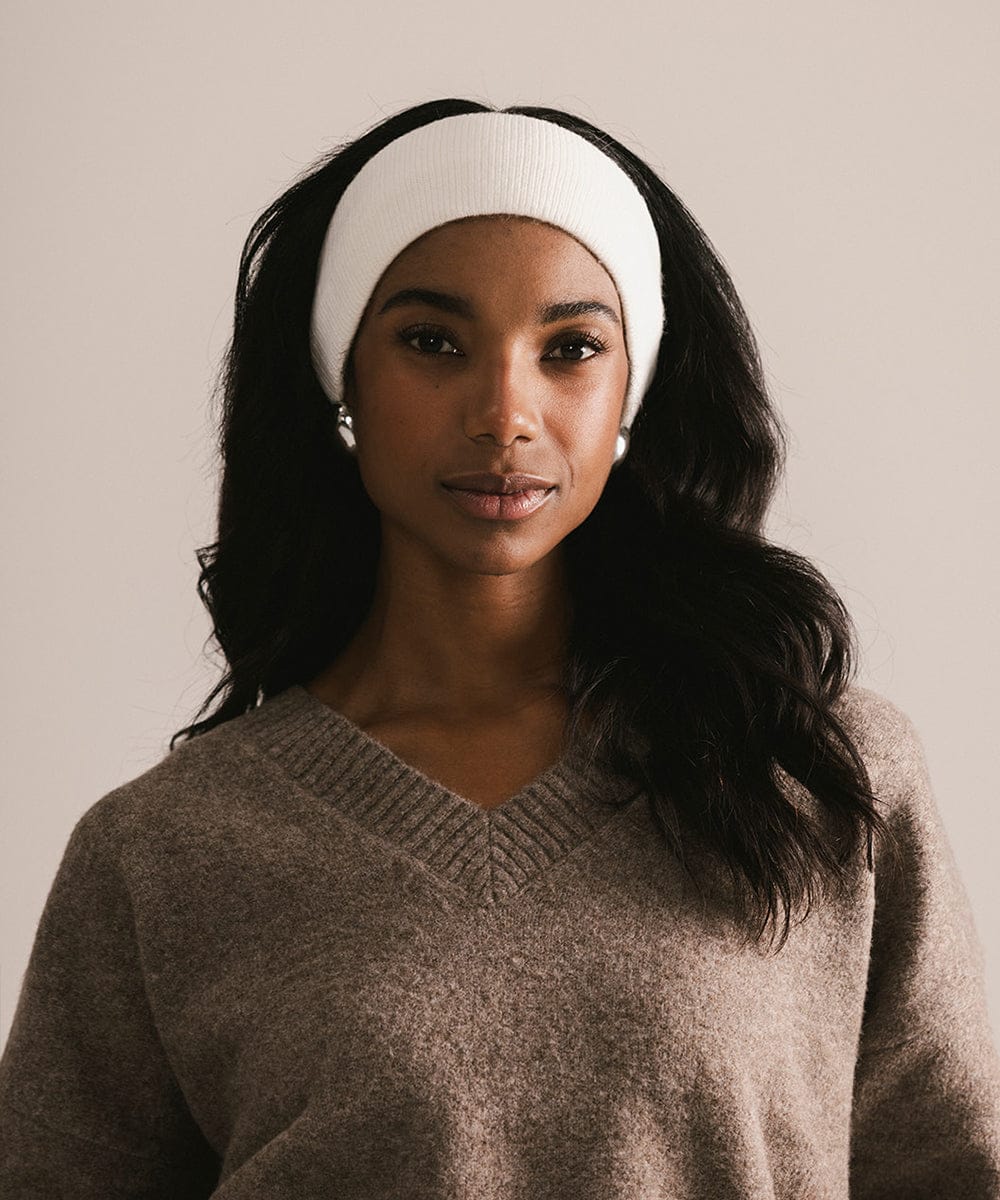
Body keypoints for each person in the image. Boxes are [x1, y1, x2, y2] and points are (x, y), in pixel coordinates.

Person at [1, 98, 997, 1198]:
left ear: (631, 397)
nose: (503, 411)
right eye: (432, 343)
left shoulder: (821, 774)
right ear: (343, 385)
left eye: (570, 349)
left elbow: (949, 1169)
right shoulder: (161, 854)